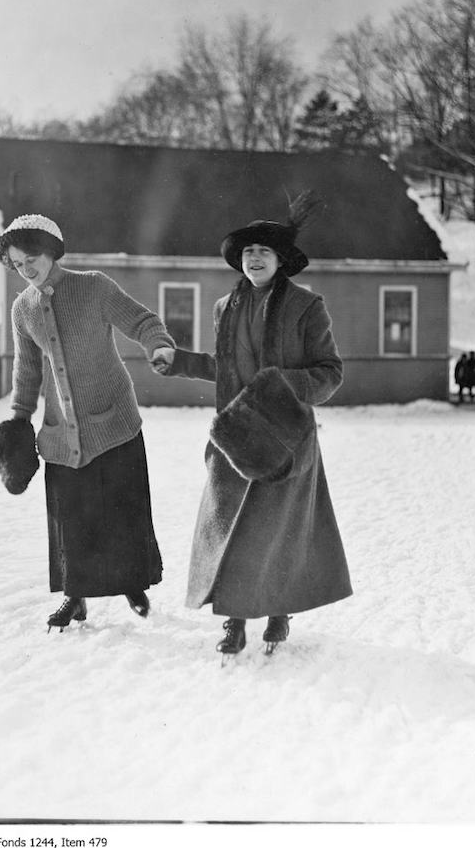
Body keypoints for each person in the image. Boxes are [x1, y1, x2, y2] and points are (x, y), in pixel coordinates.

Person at [153, 193, 352, 657]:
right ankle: (234, 622)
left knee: (276, 533)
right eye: (248, 252)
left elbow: (330, 373)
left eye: (264, 251)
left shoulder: (307, 307)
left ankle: (278, 613)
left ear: (281, 260)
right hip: (234, 437)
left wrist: (279, 386)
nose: (255, 258)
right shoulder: (226, 307)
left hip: (286, 438)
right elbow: (224, 368)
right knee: (230, 529)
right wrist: (177, 361)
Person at [0, 214, 175, 631]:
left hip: (113, 422)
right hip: (62, 432)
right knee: (71, 520)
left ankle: (133, 584)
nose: (27, 269)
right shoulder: (23, 309)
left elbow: (142, 321)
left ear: (51, 250)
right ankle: (76, 598)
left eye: (32, 258)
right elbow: (27, 371)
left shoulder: (93, 287)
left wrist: (159, 345)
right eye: (18, 264)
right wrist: (19, 419)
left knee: (123, 511)